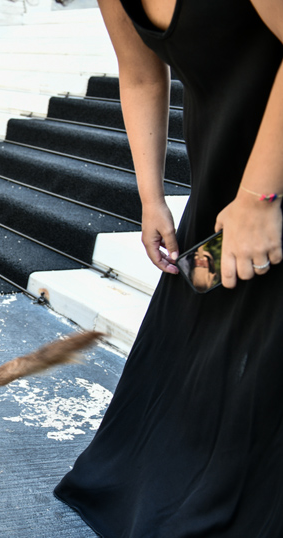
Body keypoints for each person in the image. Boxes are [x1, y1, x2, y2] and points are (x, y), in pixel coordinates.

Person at [54, 0, 283, 536]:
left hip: (266, 172)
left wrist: (260, 198)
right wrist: (151, 197)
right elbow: (139, 75)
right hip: (226, 165)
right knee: (200, 344)